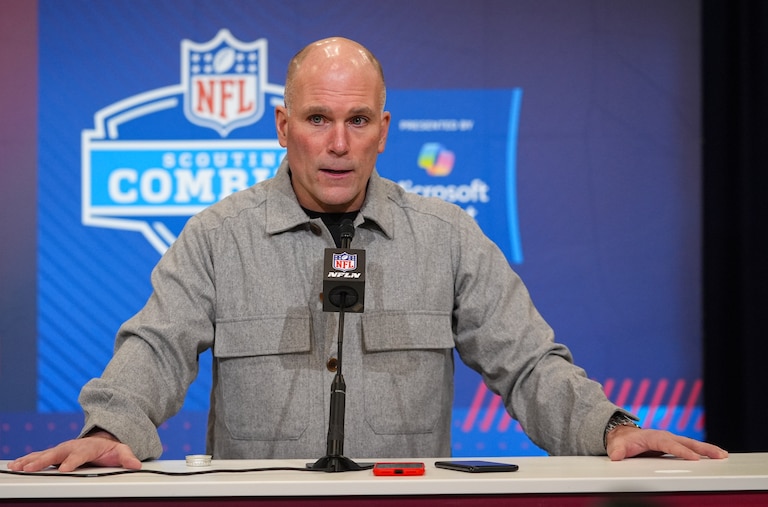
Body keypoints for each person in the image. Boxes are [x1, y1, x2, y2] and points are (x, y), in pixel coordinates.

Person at [9, 37, 727, 473]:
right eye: (318, 119)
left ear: (384, 128)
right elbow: (156, 347)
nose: (339, 143)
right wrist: (111, 427)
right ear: (283, 125)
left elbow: (531, 363)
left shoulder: (447, 235)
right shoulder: (217, 235)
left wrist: (613, 429)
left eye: (357, 120)